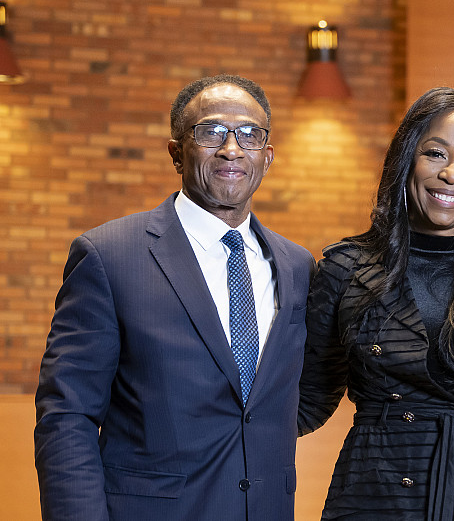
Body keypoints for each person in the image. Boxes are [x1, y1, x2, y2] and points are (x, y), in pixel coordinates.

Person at [34, 74, 315, 520]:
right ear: (176, 153)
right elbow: (67, 416)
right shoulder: (109, 256)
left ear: (268, 156)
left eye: (249, 135)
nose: (231, 149)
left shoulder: (297, 265)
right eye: (211, 132)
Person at [298, 87, 454, 520]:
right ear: (406, 161)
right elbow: (309, 399)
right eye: (436, 154)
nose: (452, 174)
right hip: (373, 495)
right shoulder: (346, 268)